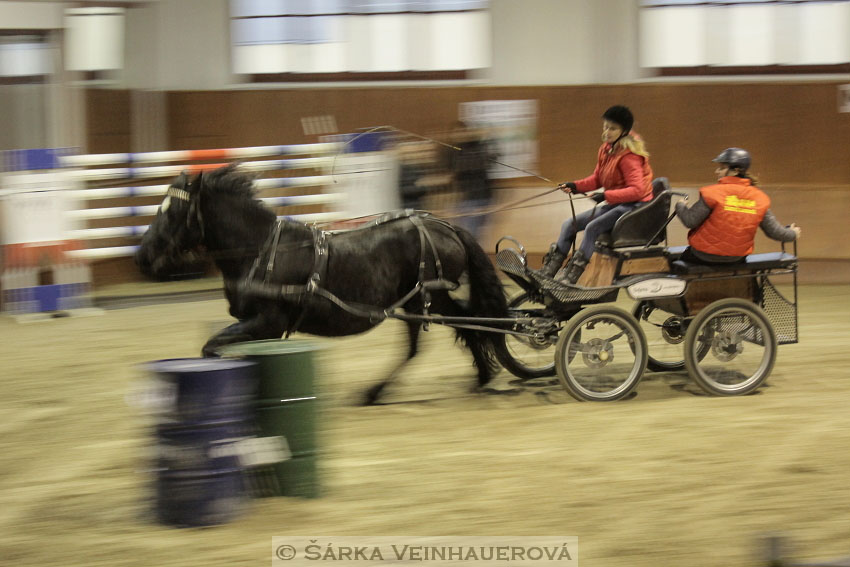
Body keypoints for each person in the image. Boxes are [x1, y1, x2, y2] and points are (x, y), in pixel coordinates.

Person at [540, 105, 654, 283]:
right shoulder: (606, 149)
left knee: (593, 228)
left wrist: (606, 196)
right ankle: (549, 271)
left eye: (613, 128)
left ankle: (571, 276)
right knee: (569, 224)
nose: (607, 131)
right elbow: (597, 179)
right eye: (605, 126)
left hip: (634, 206)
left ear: (624, 131)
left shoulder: (629, 156)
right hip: (617, 202)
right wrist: (575, 186)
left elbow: (638, 190)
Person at [675, 147, 801, 264]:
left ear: (735, 171)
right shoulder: (760, 198)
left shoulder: (712, 193)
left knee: (675, 261)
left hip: (703, 256)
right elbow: (775, 232)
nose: (717, 171)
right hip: (736, 259)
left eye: (722, 168)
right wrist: (792, 233)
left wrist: (680, 205)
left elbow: (690, 221)